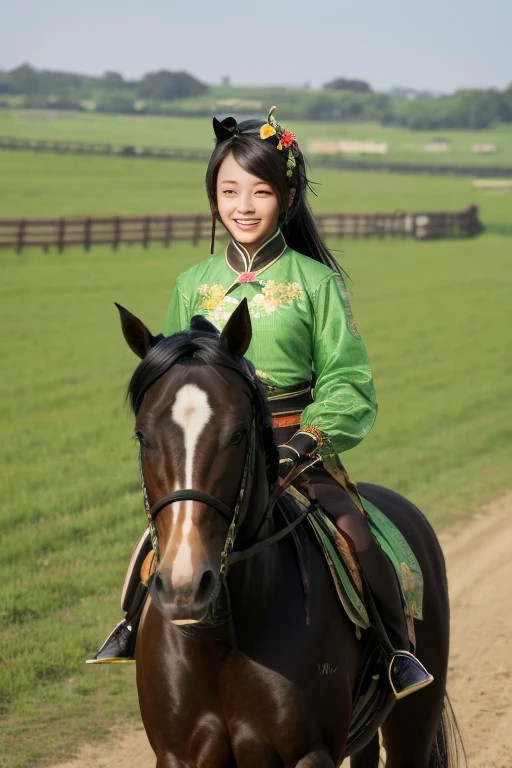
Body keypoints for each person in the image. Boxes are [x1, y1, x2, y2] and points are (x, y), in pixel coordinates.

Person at [89, 107, 433, 700]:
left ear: (289, 197)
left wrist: (307, 442)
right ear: (213, 197)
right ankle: (130, 626)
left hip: (298, 452)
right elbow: (174, 384)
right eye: (229, 191)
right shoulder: (190, 284)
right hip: (213, 458)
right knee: (155, 544)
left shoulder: (316, 283)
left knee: (360, 536)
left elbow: (349, 381)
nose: (243, 205)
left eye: (260, 191)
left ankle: (397, 651)